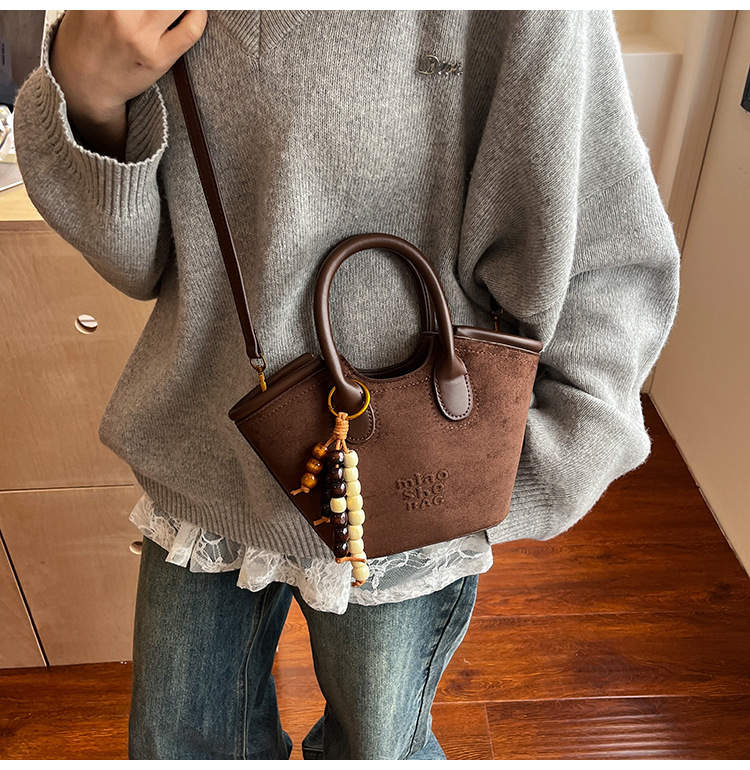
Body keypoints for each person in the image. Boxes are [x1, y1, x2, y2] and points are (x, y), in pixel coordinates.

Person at [13, 10, 680, 760]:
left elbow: (605, 252)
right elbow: (144, 262)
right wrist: (90, 97)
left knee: (375, 746)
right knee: (178, 745)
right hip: (208, 453)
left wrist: (515, 475)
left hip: (412, 479)